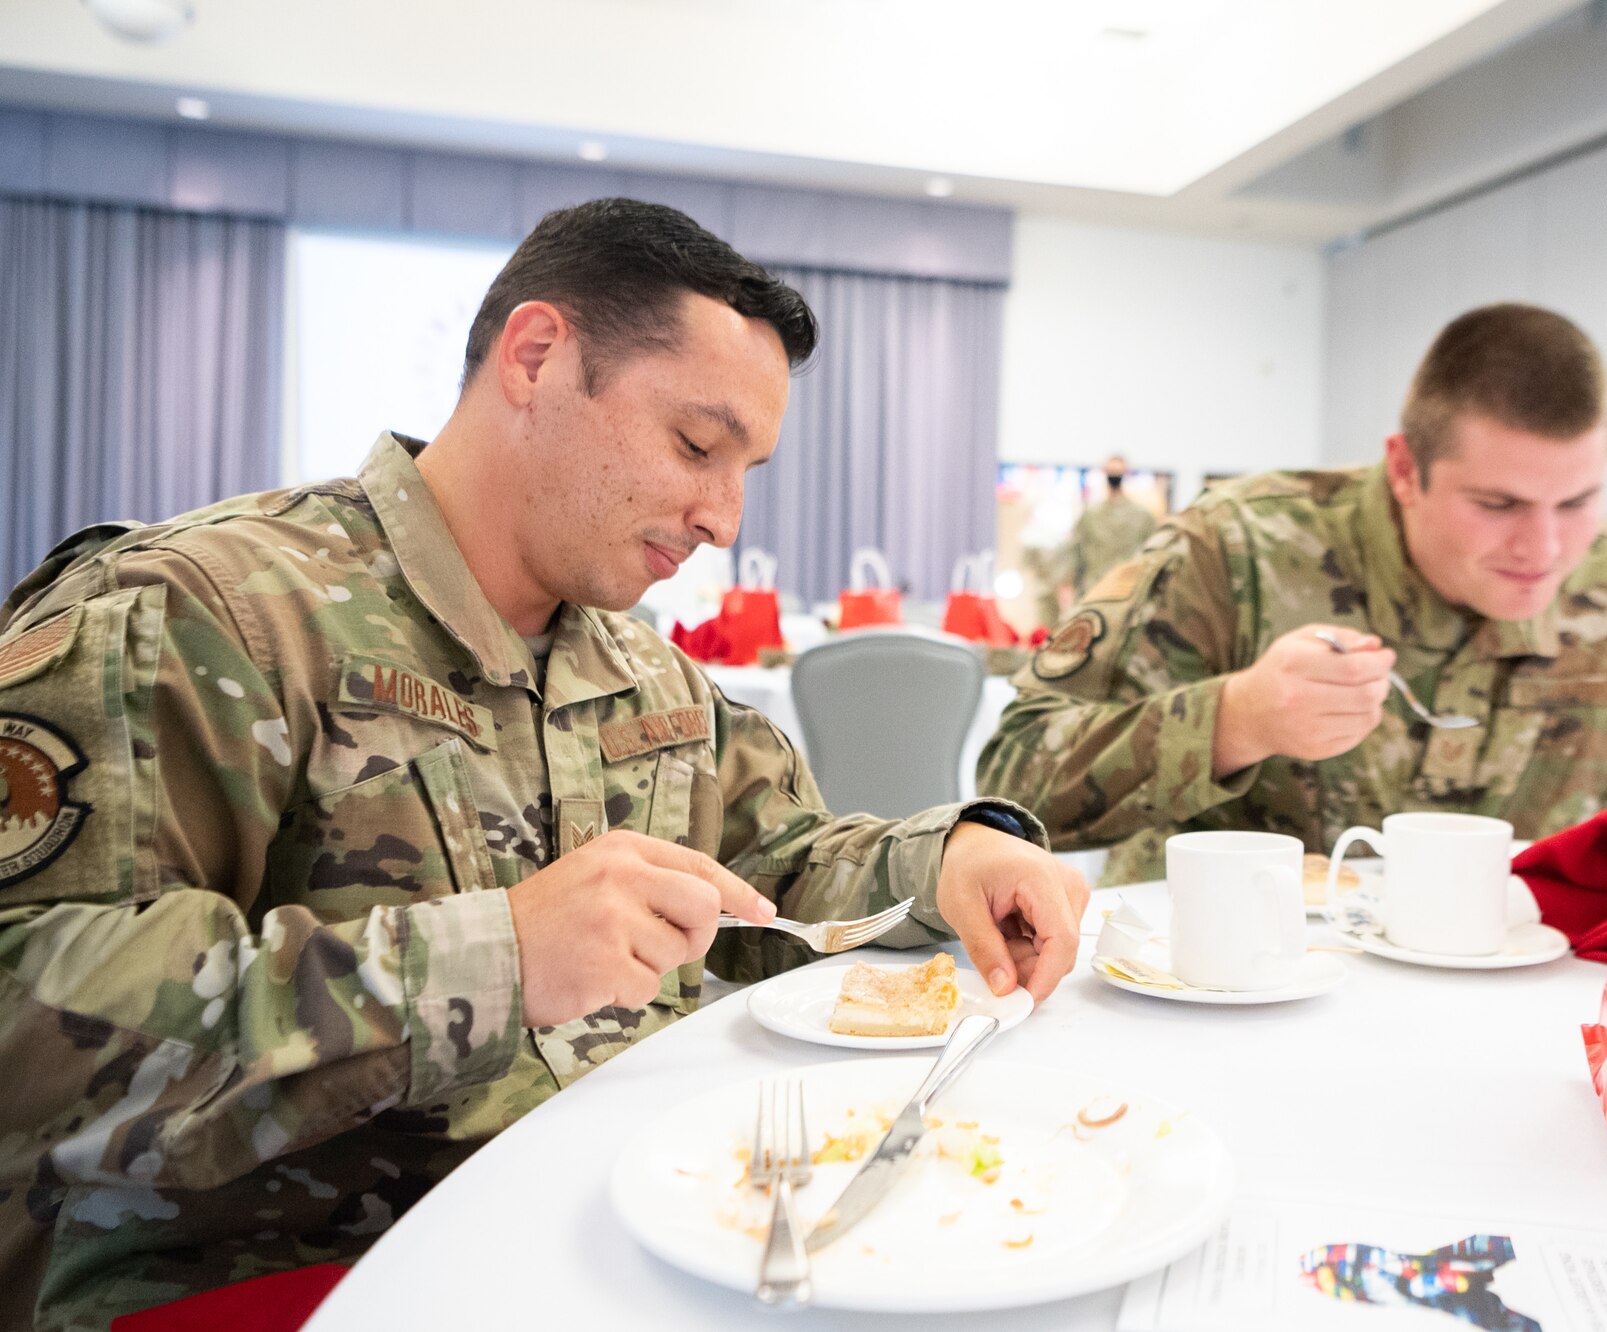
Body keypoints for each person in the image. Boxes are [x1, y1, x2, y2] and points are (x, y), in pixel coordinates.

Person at [0, 199, 1087, 1331]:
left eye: (746, 466)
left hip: (624, 1227)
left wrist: (944, 856)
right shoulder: (202, 613)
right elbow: (24, 1011)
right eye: (695, 446)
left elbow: (780, 867)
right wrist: (498, 956)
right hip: (293, 1275)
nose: (722, 515)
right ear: (535, 357)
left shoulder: (636, 664)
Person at [978, 304, 1607, 885]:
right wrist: (1233, 721)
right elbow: (1013, 779)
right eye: (1497, 504)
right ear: (1405, 469)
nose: (1545, 549)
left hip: (1493, 1017)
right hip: (1218, 1003)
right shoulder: (1241, 546)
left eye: (1579, 502)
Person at [1065, 455, 1157, 605]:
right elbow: (1078, 556)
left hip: (1128, 594)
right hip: (1094, 591)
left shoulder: (1142, 516)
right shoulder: (1091, 515)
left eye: (1117, 472)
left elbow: (1151, 556)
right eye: (1111, 472)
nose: (1114, 476)